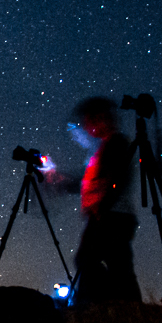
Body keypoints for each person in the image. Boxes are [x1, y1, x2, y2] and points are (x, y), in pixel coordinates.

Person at [44, 96, 141, 304]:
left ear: (100, 118)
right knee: (115, 265)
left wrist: (102, 208)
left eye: (88, 120)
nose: (86, 126)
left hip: (111, 216)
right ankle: (120, 307)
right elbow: (88, 183)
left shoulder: (116, 143)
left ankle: (103, 305)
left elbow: (118, 179)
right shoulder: (103, 148)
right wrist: (61, 180)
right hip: (109, 214)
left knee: (98, 262)